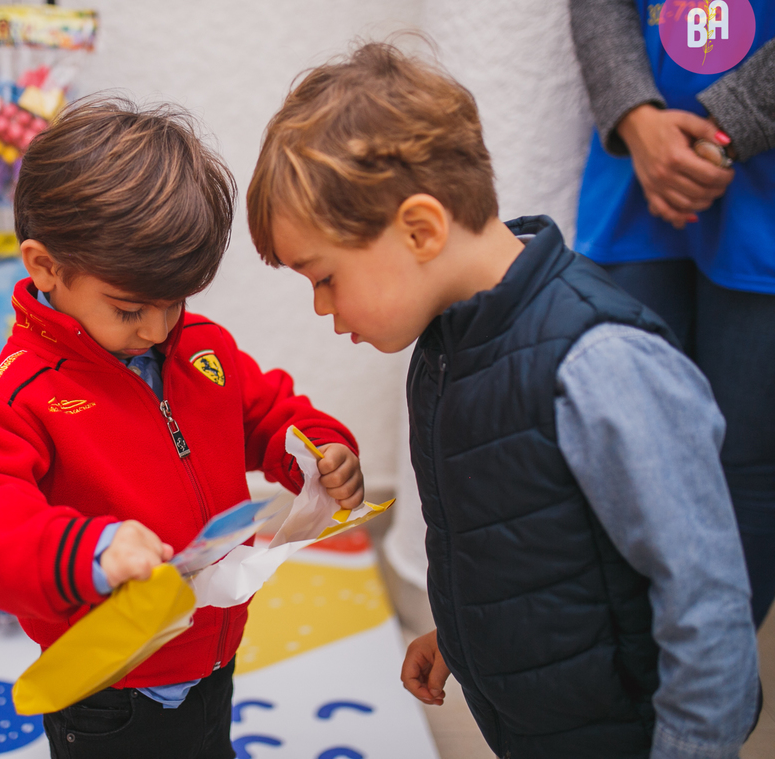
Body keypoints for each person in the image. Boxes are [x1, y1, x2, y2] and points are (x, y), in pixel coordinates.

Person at [246, 42, 759, 759]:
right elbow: (515, 538)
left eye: (324, 277)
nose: (323, 309)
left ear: (421, 230)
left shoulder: (601, 364)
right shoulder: (449, 348)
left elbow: (705, 599)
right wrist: (462, 637)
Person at [0, 97, 364, 759]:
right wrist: (91, 550)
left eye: (174, 302)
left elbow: (268, 412)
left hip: (212, 653)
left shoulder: (201, 350)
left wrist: (318, 448)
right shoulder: (8, 399)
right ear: (44, 267)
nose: (158, 330)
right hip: (109, 692)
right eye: (130, 309)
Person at [570, 0, 775, 626]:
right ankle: (637, 671)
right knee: (623, 453)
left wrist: (725, 132)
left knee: (746, 465)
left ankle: (716, 685)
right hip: (632, 192)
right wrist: (636, 118)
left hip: (763, 210)